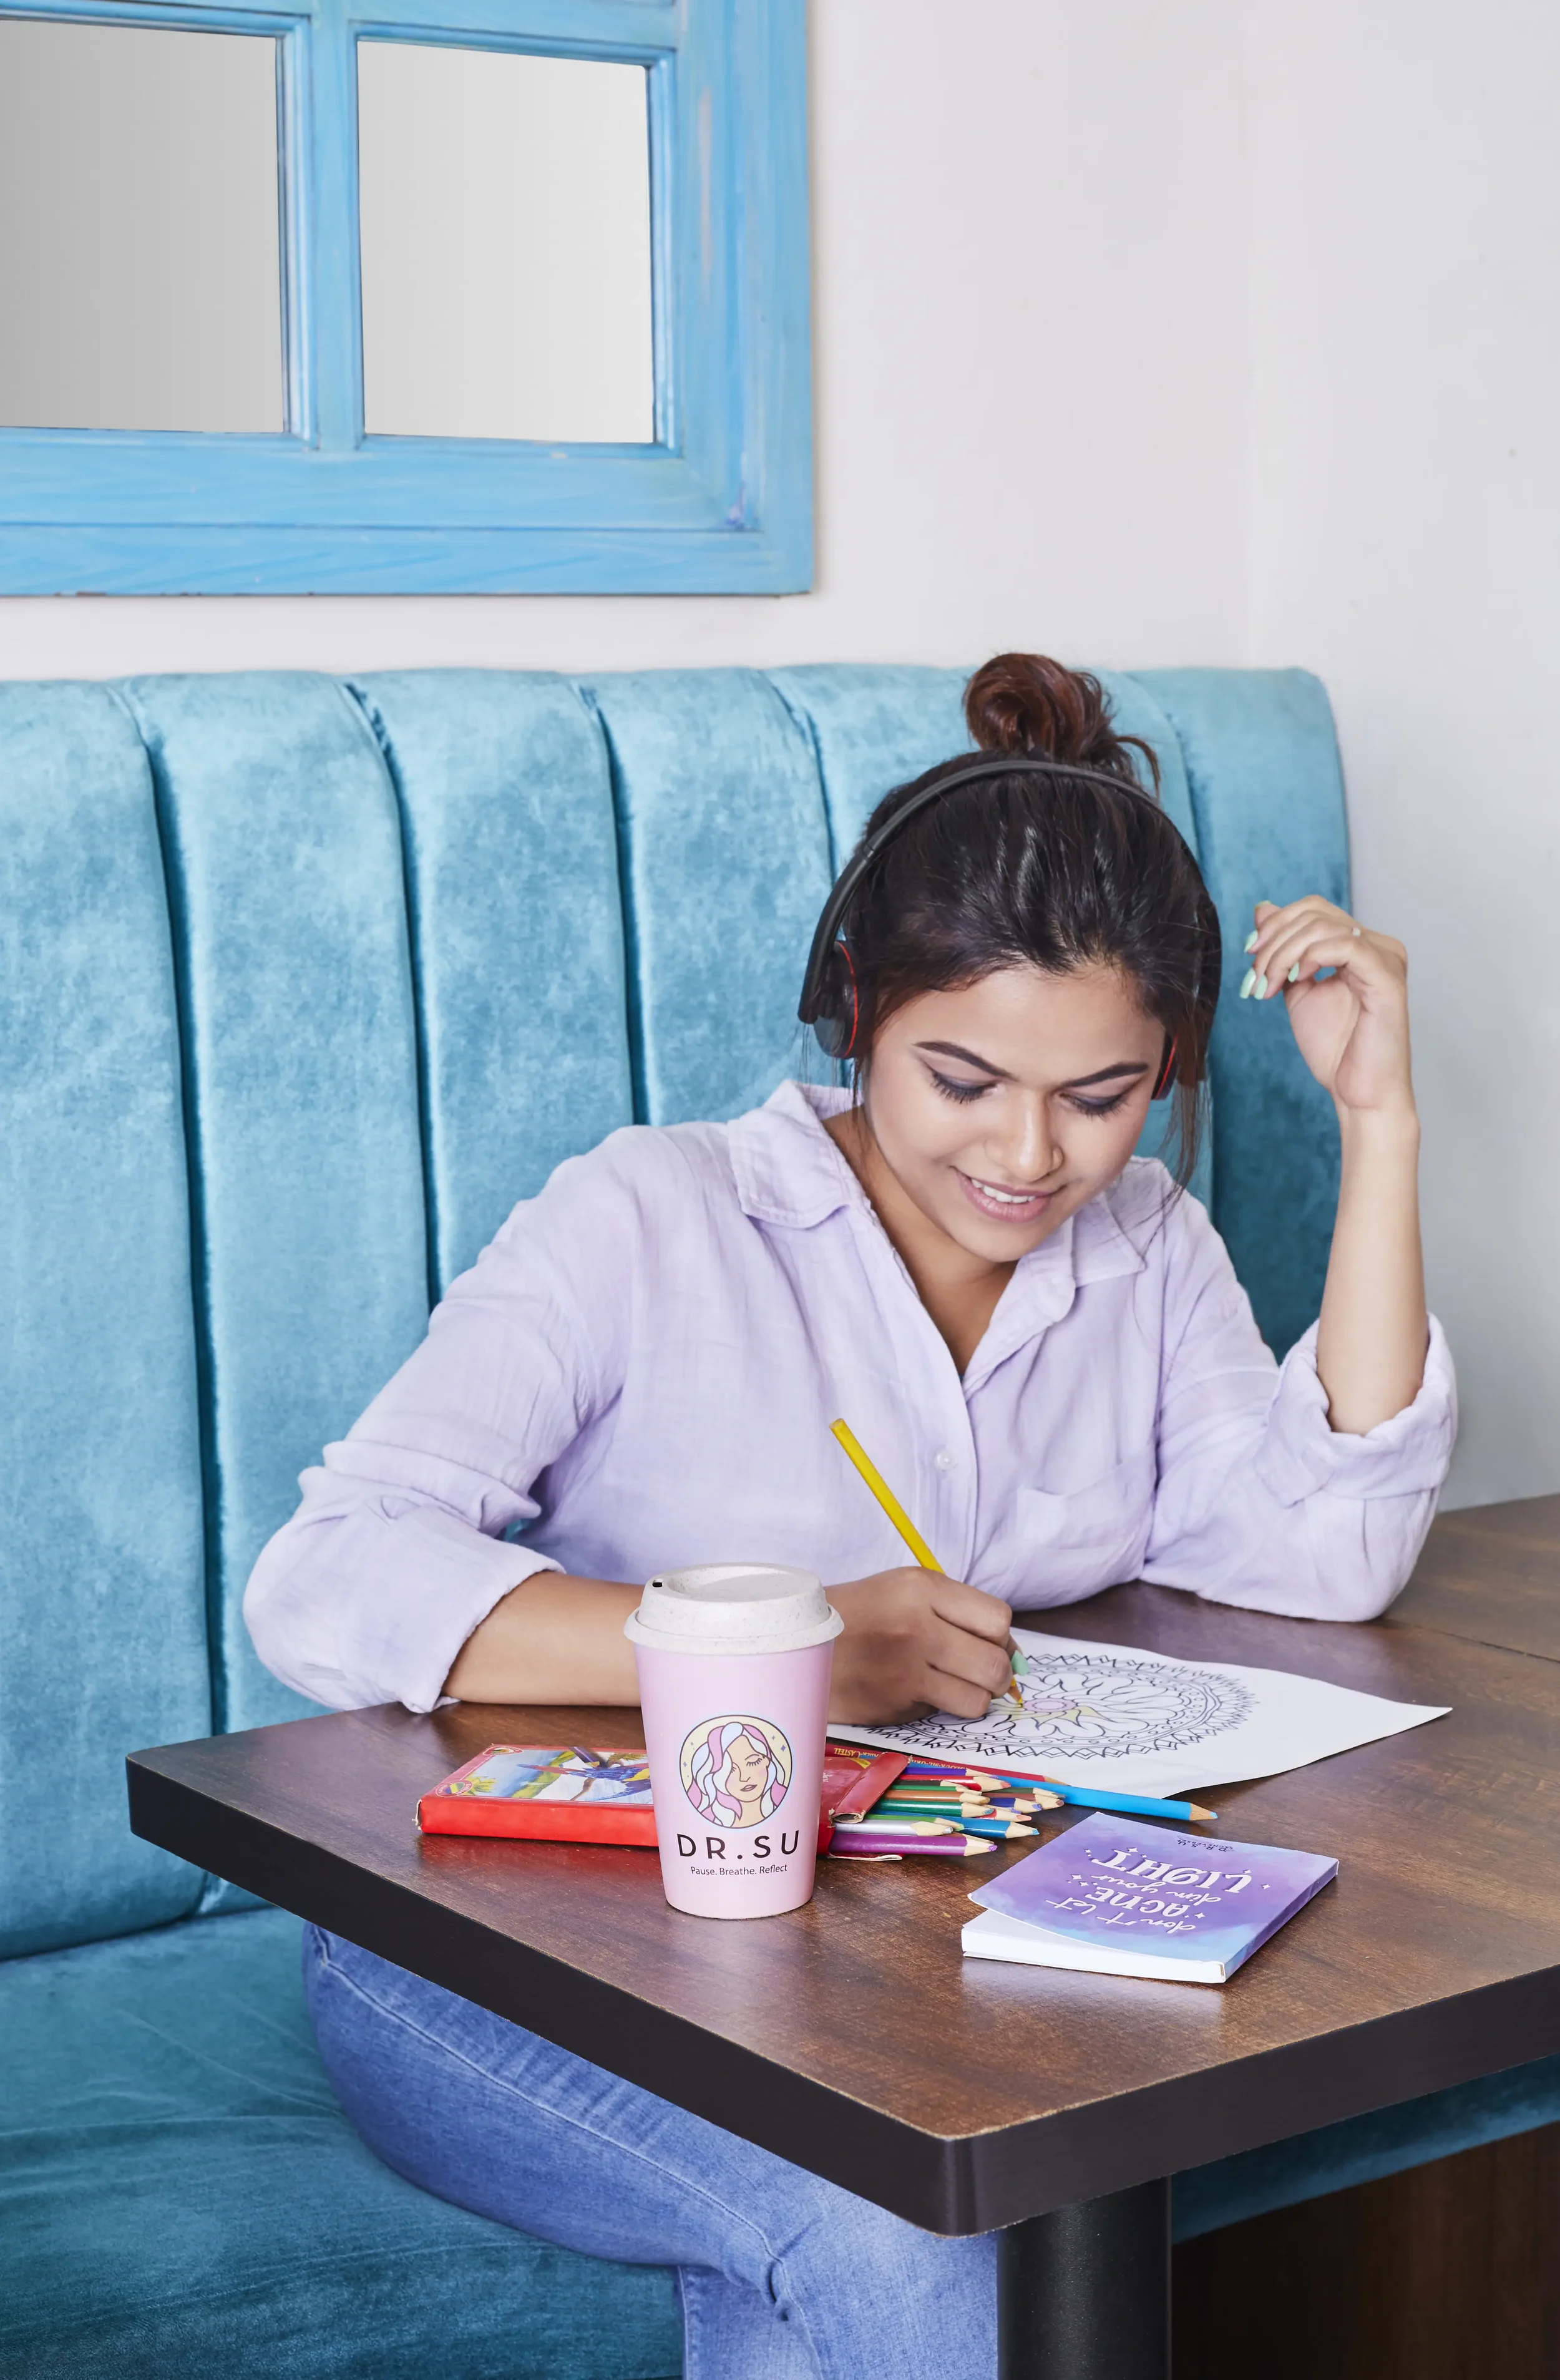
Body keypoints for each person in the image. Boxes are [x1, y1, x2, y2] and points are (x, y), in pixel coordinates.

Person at [245, 653, 1455, 2380]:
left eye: (1099, 1097)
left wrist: (1381, 1123)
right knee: (918, 2227)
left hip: (872, 1981)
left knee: (918, 2222)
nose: (1029, 1155)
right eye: (962, 1076)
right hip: (492, 1961)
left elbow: (1324, 1549)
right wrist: (784, 1639)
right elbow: (325, 1575)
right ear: (853, 1006)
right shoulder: (648, 1218)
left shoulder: (1146, 1253)